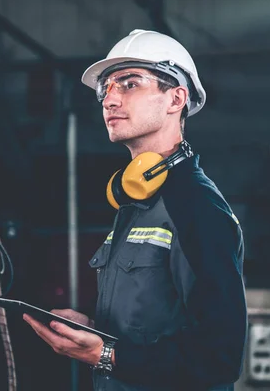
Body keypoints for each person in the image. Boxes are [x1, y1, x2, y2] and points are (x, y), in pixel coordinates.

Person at [23, 29, 247, 391]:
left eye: (129, 84)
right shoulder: (136, 201)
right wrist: (94, 329)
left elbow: (220, 357)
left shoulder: (196, 206)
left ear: (176, 99)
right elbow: (153, 321)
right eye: (105, 89)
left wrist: (105, 355)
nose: (109, 100)